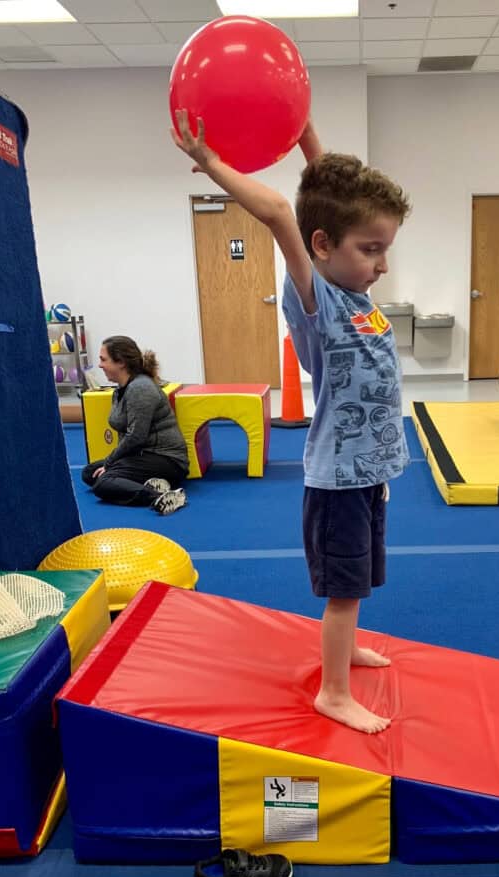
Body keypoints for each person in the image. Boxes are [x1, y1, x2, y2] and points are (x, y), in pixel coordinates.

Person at [172, 111, 411, 733]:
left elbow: (325, 205)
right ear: (325, 248)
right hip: (336, 479)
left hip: (367, 471)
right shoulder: (318, 297)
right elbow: (285, 214)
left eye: (385, 248)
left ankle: (348, 651)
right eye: (371, 249)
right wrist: (216, 163)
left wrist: (307, 138)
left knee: (358, 583)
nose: (381, 264)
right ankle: (333, 692)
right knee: (343, 589)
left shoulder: (355, 294)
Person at [81, 336, 189, 514]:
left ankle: (160, 496)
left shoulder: (140, 389)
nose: (99, 365)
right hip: (142, 454)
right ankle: (155, 483)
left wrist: (109, 463)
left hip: (166, 459)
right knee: (89, 473)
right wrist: (113, 464)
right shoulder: (120, 390)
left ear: (121, 362)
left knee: (102, 483)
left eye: (103, 359)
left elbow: (136, 437)